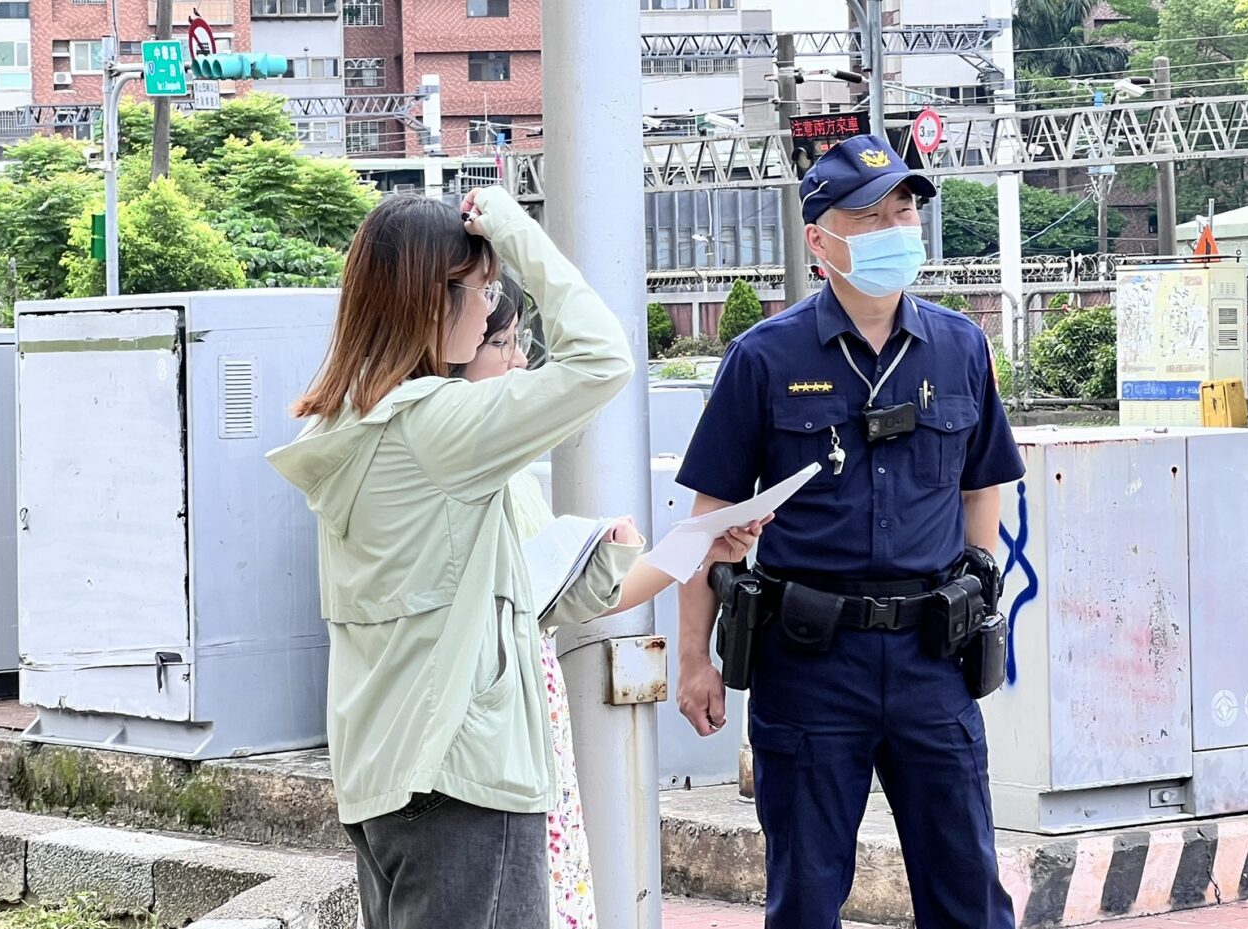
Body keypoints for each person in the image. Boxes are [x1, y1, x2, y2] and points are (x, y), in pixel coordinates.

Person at [270, 186, 754, 929]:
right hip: (461, 775)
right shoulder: (437, 427)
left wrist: (683, 549)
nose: (492, 306)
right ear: (437, 300)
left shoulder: (356, 426)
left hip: (387, 774)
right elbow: (601, 358)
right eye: (484, 288)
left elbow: (523, 589)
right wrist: (512, 227)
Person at [674, 133, 1025, 929]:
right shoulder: (763, 358)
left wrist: (976, 584)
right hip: (809, 662)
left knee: (969, 893)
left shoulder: (960, 346)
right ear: (819, 239)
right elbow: (709, 522)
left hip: (931, 657)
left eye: (905, 209)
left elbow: (984, 481)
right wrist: (694, 657)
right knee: (804, 899)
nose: (898, 227)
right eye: (870, 216)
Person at [453, 277, 764, 929]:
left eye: (518, 341)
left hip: (522, 729)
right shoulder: (450, 472)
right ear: (450, 349)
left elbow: (579, 594)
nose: (518, 361)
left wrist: (697, 547)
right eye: (503, 343)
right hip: (485, 741)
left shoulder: (499, 473)